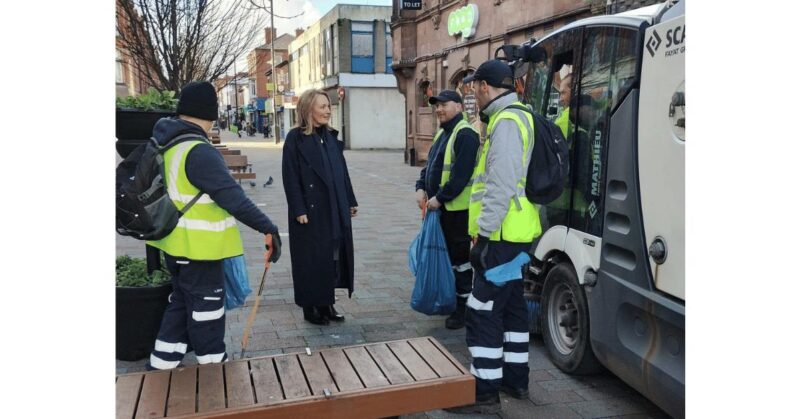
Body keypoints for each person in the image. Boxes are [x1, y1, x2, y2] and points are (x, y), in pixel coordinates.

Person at [145, 81, 282, 370]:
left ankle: (160, 368)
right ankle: (215, 376)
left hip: (175, 247)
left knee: (180, 306)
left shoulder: (168, 144)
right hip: (200, 251)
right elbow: (233, 198)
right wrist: (268, 228)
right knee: (206, 314)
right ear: (210, 113)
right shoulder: (198, 150)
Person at [446, 60, 543, 414]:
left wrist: (483, 237)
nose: (474, 92)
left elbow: (500, 185)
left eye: (474, 87)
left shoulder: (505, 123)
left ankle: (484, 392)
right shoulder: (521, 116)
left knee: (483, 309)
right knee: (513, 306)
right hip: (517, 235)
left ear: (485, 87)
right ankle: (516, 380)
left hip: (500, 238)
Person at [282, 89, 358, 326]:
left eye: (328, 106)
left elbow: (342, 173)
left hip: (334, 206)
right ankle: (310, 306)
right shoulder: (295, 138)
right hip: (311, 210)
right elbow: (290, 177)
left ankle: (327, 303)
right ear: (308, 109)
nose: (327, 111)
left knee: (332, 256)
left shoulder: (330, 137)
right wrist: (299, 209)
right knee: (311, 259)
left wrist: (350, 200)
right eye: (322, 106)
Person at [414, 89, 480, 330]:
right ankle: (450, 299)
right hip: (439, 210)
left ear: (459, 107)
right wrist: (420, 187)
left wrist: (439, 199)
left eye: (444, 105)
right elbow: (429, 166)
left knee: (460, 261)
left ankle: (463, 309)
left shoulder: (466, 135)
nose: (439, 109)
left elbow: (460, 176)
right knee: (447, 257)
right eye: (437, 105)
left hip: (457, 212)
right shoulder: (442, 133)